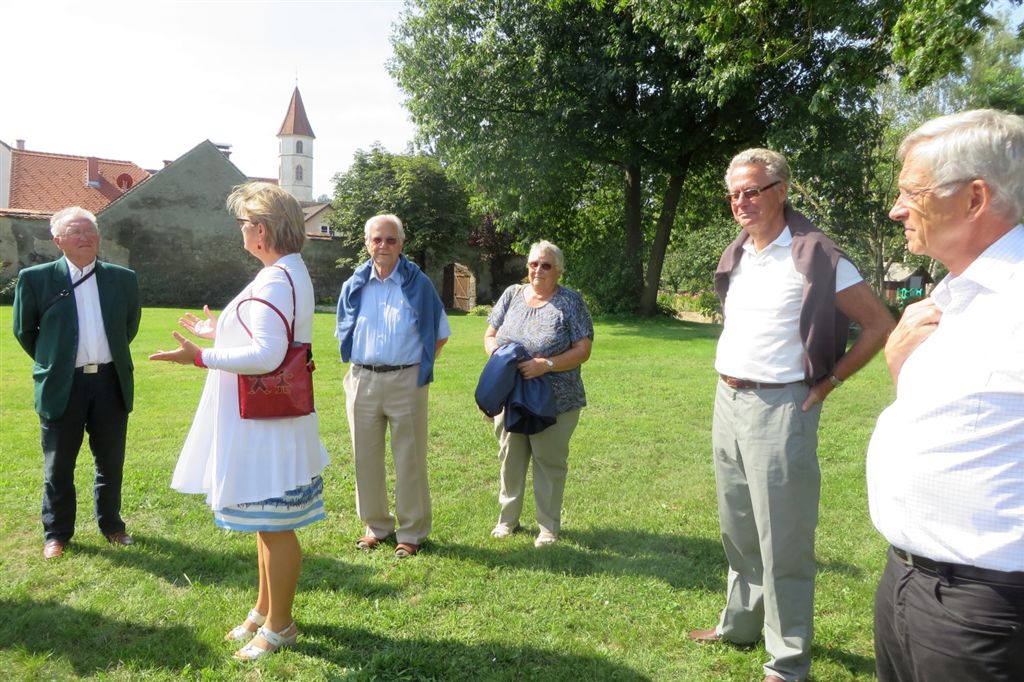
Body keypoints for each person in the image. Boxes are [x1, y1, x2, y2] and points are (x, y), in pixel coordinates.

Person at [688, 149, 894, 682]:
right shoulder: (740, 254)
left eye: (751, 191)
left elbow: (878, 324)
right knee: (738, 528)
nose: (741, 203)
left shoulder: (819, 256)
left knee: (784, 538)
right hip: (727, 400)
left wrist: (830, 380)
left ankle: (787, 660)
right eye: (733, 194)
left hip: (781, 406)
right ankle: (739, 625)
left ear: (781, 190)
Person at [866, 109, 1024, 682]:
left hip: (985, 606)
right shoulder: (953, 296)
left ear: (975, 198)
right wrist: (898, 368)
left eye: (913, 192)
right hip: (909, 580)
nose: (896, 208)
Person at [150, 182, 329, 661]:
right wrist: (221, 329)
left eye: (245, 224)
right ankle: (264, 611)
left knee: (274, 526)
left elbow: (268, 352)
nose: (242, 231)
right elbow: (267, 334)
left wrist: (200, 356)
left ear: (262, 230)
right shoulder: (287, 270)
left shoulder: (275, 278)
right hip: (271, 419)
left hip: (266, 423)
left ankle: (280, 627)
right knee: (265, 523)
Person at [13, 206, 141, 560]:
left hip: (109, 382)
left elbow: (128, 327)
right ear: (58, 240)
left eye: (90, 231)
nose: (85, 238)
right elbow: (25, 332)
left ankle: (112, 525)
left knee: (111, 462)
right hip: (61, 385)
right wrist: (56, 362)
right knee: (58, 466)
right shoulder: (36, 279)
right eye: (75, 232)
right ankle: (57, 534)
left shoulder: (123, 278)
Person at [335, 214, 450, 559]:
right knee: (364, 458)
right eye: (376, 240)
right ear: (367, 243)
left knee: (409, 459)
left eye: (390, 240)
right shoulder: (354, 284)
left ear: (401, 244)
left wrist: (413, 363)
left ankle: (411, 532)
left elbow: (439, 334)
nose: (382, 246)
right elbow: (345, 329)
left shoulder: (419, 284)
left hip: (406, 380)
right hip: (363, 379)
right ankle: (376, 527)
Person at [483, 240, 594, 548]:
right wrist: (499, 356)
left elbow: (583, 350)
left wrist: (545, 364)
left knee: (549, 461)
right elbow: (490, 334)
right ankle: (507, 521)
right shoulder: (511, 295)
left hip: (556, 400)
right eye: (533, 264)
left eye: (546, 265)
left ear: (558, 270)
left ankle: (547, 528)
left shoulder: (570, 302)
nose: (538, 270)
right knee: (510, 458)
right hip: (511, 395)